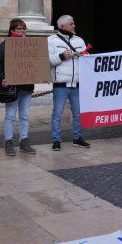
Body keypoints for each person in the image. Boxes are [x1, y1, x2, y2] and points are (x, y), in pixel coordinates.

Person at [0, 18, 36, 156]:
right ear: (12, 30)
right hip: (12, 86)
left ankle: (24, 141)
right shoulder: (5, 44)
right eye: (19, 28)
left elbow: (37, 63)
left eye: (24, 28)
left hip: (26, 86)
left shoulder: (30, 45)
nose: (22, 31)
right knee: (10, 115)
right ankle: (8, 142)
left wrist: (41, 75)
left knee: (25, 115)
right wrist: (2, 78)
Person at [49, 15, 90, 151]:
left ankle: (77, 138)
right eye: (71, 24)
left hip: (77, 83)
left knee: (78, 113)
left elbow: (87, 60)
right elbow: (46, 61)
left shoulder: (79, 40)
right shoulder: (51, 40)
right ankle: (56, 140)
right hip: (61, 84)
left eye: (73, 23)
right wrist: (61, 56)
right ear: (62, 26)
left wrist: (86, 57)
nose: (74, 26)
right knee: (57, 113)